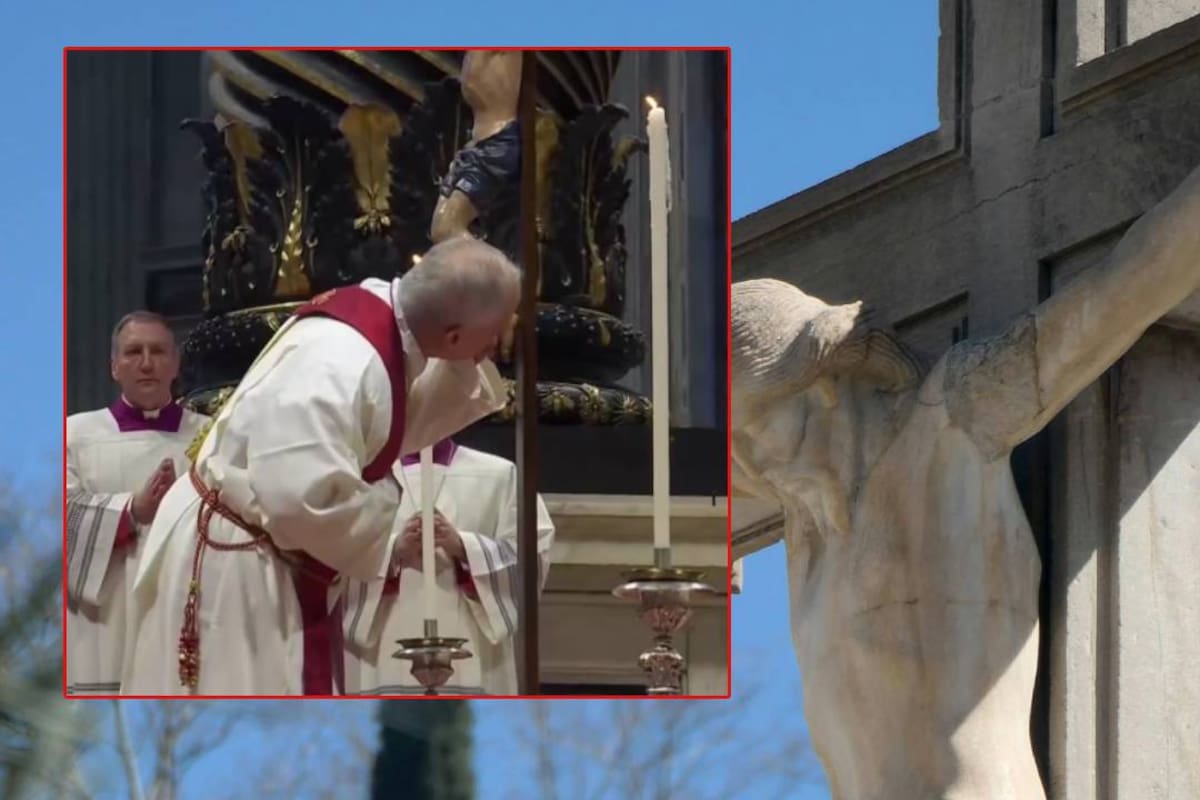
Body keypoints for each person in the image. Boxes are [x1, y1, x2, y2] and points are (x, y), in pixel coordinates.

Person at [731, 162, 1200, 800]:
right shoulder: (808, 521)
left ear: (821, 388)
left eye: (752, 429)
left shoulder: (950, 416)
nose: (749, 466)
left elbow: (1127, 286)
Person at [123, 235, 521, 696]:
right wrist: (387, 504)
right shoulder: (342, 362)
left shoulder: (380, 312)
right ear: (452, 335)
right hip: (232, 563)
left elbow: (390, 416)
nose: (499, 343)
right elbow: (301, 499)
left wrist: (470, 363)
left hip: (252, 540)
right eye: (494, 333)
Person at [66, 311, 210, 694]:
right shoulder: (75, 434)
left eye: (158, 351)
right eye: (133, 352)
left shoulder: (211, 436)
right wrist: (132, 511)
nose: (146, 363)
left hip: (183, 607)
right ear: (114, 367)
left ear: (175, 363)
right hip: (106, 616)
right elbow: (58, 518)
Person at [342, 437, 555, 695]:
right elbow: (334, 557)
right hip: (382, 645)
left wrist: (464, 548)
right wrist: (394, 551)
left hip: (476, 648)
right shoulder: (362, 478)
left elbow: (533, 553)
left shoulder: (499, 474)